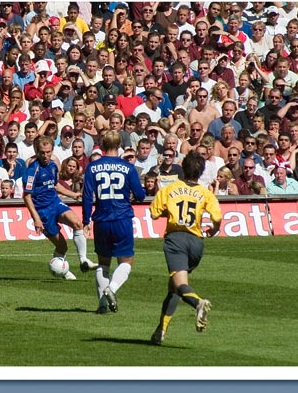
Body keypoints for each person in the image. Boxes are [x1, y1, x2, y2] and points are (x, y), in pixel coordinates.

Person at [149, 150, 223, 345]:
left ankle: (198, 302)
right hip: (197, 243)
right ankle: (160, 331)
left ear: (183, 169)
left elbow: (154, 213)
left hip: (176, 239)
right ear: (201, 172)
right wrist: (213, 230)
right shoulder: (205, 193)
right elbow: (217, 217)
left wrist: (170, 212)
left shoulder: (169, 189)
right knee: (173, 288)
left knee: (180, 285)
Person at [82, 130, 145, 313]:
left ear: (101, 146)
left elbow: (87, 196)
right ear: (119, 147)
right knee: (126, 261)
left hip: (101, 219)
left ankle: (102, 305)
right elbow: (141, 195)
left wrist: (86, 220)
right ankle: (112, 289)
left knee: (103, 263)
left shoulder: (92, 167)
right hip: (122, 218)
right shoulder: (128, 167)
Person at [22, 135, 97, 280]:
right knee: (62, 247)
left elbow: (55, 185)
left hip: (55, 203)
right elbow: (26, 196)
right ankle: (62, 271)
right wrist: (36, 218)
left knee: (77, 223)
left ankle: (83, 260)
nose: (46, 155)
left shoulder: (52, 166)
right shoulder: (33, 170)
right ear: (37, 151)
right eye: (42, 152)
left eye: (48, 152)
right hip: (43, 212)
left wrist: (73, 194)